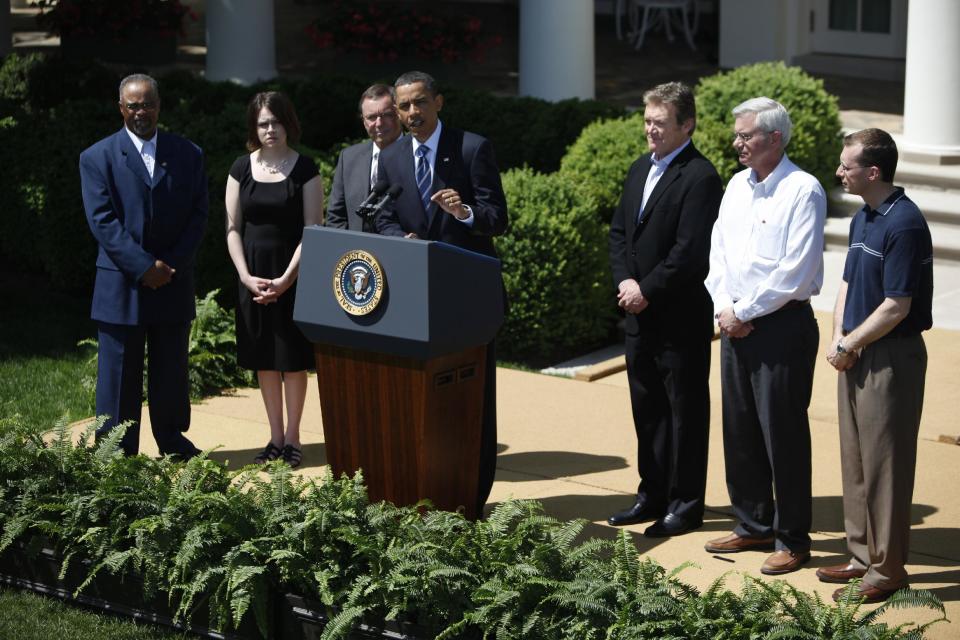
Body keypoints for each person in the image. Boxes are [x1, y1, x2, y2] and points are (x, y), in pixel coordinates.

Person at [375, 70, 508, 515]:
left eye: (420, 103)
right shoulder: (391, 157)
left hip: (467, 301)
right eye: (405, 106)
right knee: (423, 401)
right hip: (414, 301)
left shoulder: (471, 148)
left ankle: (472, 495)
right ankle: (426, 492)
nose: (412, 113)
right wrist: (400, 241)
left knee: (472, 402)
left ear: (438, 102)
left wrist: (465, 211)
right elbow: (384, 215)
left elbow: (497, 217)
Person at [703, 97, 826, 575]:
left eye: (746, 135)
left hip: (782, 326)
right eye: (737, 135)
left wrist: (744, 311)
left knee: (783, 435)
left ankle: (792, 538)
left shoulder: (803, 190)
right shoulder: (736, 186)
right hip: (734, 321)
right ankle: (752, 523)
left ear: (775, 139)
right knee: (740, 428)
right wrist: (723, 308)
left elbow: (796, 273)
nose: (737, 143)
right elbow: (718, 254)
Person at [820, 129, 933, 603]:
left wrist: (850, 341)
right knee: (856, 460)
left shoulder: (903, 223)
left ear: (873, 171)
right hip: (856, 351)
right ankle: (861, 555)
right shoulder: (862, 217)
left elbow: (896, 306)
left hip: (890, 357)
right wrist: (837, 340)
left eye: (847, 166)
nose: (839, 172)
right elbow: (846, 286)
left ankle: (887, 569)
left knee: (886, 466)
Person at [606, 82, 723, 537]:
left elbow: (690, 252)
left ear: (686, 125)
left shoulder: (700, 176)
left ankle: (685, 504)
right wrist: (624, 281)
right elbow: (619, 233)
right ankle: (651, 493)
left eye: (660, 123)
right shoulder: (640, 168)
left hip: (678, 318)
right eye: (647, 121)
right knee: (648, 408)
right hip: (639, 315)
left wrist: (646, 289)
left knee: (684, 412)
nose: (650, 130)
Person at [79, 73, 207, 459]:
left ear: (159, 105)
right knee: (119, 377)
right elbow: (103, 221)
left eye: (147, 104)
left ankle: (173, 442)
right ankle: (115, 454)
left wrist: (168, 266)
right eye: (133, 105)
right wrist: (142, 267)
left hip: (172, 280)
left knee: (171, 371)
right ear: (121, 108)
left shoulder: (188, 154)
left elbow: (199, 215)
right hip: (121, 285)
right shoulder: (96, 157)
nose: (141, 112)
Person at [225, 91, 324, 468]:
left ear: (288, 124)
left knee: (292, 361)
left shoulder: (306, 169)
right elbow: (233, 227)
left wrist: (285, 280)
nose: (270, 129)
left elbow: (313, 229)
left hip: (294, 274)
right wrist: (246, 277)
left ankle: (295, 439)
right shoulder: (240, 168)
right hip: (251, 276)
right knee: (265, 359)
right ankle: (275, 438)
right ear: (255, 127)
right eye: (263, 123)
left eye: (276, 122)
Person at [326, 84, 402, 231]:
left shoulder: (417, 155)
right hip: (357, 252)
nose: (379, 123)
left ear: (398, 114)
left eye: (386, 115)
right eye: (371, 117)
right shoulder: (348, 158)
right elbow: (336, 217)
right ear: (363, 121)